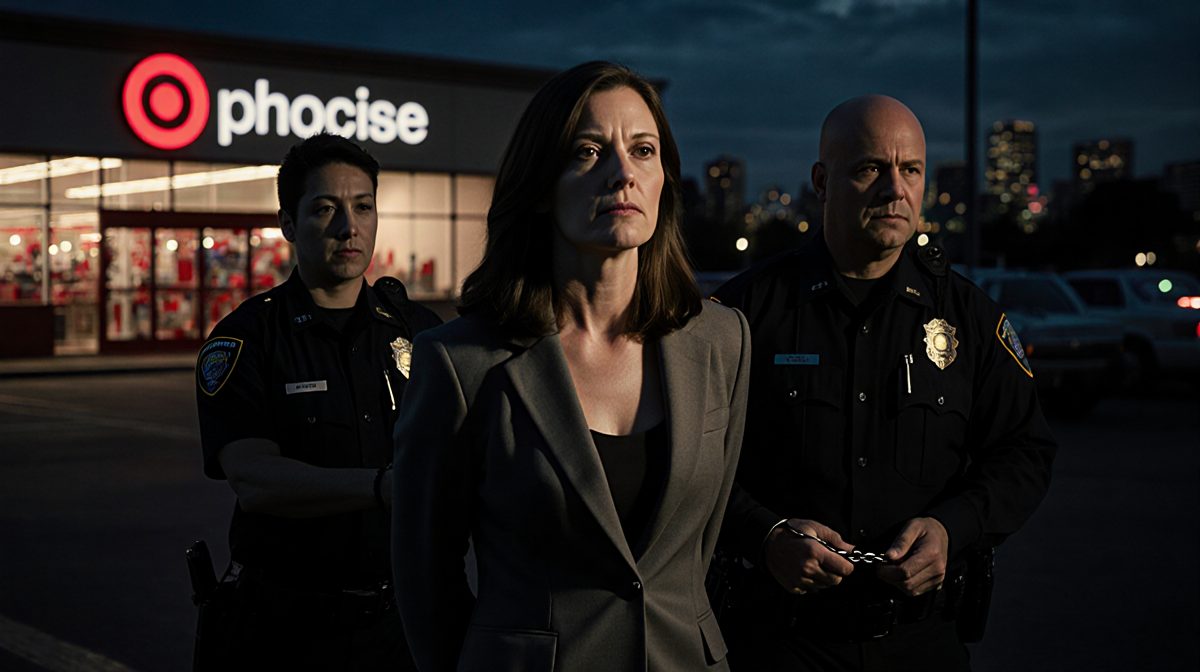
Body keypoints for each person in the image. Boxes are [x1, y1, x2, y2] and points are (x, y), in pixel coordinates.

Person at [391, 61, 751, 672]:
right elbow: (426, 578)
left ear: (664, 180)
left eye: (643, 150)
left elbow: (698, 548)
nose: (623, 173)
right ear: (539, 187)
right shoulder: (462, 362)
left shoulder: (722, 340)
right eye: (589, 152)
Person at [711, 95, 1057, 671]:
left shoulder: (968, 318)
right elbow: (688, 461)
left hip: (921, 646)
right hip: (780, 645)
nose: (895, 189)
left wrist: (953, 527)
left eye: (911, 170)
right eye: (870, 168)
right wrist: (764, 535)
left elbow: (1025, 451)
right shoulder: (745, 313)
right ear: (822, 182)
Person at [194, 132, 441, 670]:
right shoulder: (246, 339)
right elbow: (254, 478)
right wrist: (382, 487)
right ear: (288, 223)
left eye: (363, 207)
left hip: (400, 628)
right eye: (325, 208)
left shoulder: (419, 334)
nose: (349, 227)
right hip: (284, 635)